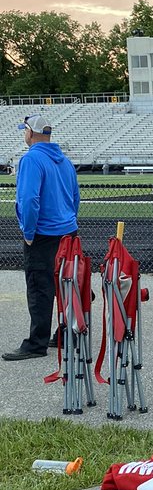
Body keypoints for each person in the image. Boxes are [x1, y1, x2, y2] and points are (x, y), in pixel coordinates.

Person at [2, 114, 79, 362]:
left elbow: (28, 200)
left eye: (24, 130)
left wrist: (28, 232)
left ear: (30, 133)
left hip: (44, 234)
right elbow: (75, 198)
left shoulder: (32, 159)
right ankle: (68, 332)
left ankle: (36, 343)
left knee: (39, 287)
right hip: (68, 230)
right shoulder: (64, 161)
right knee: (66, 284)